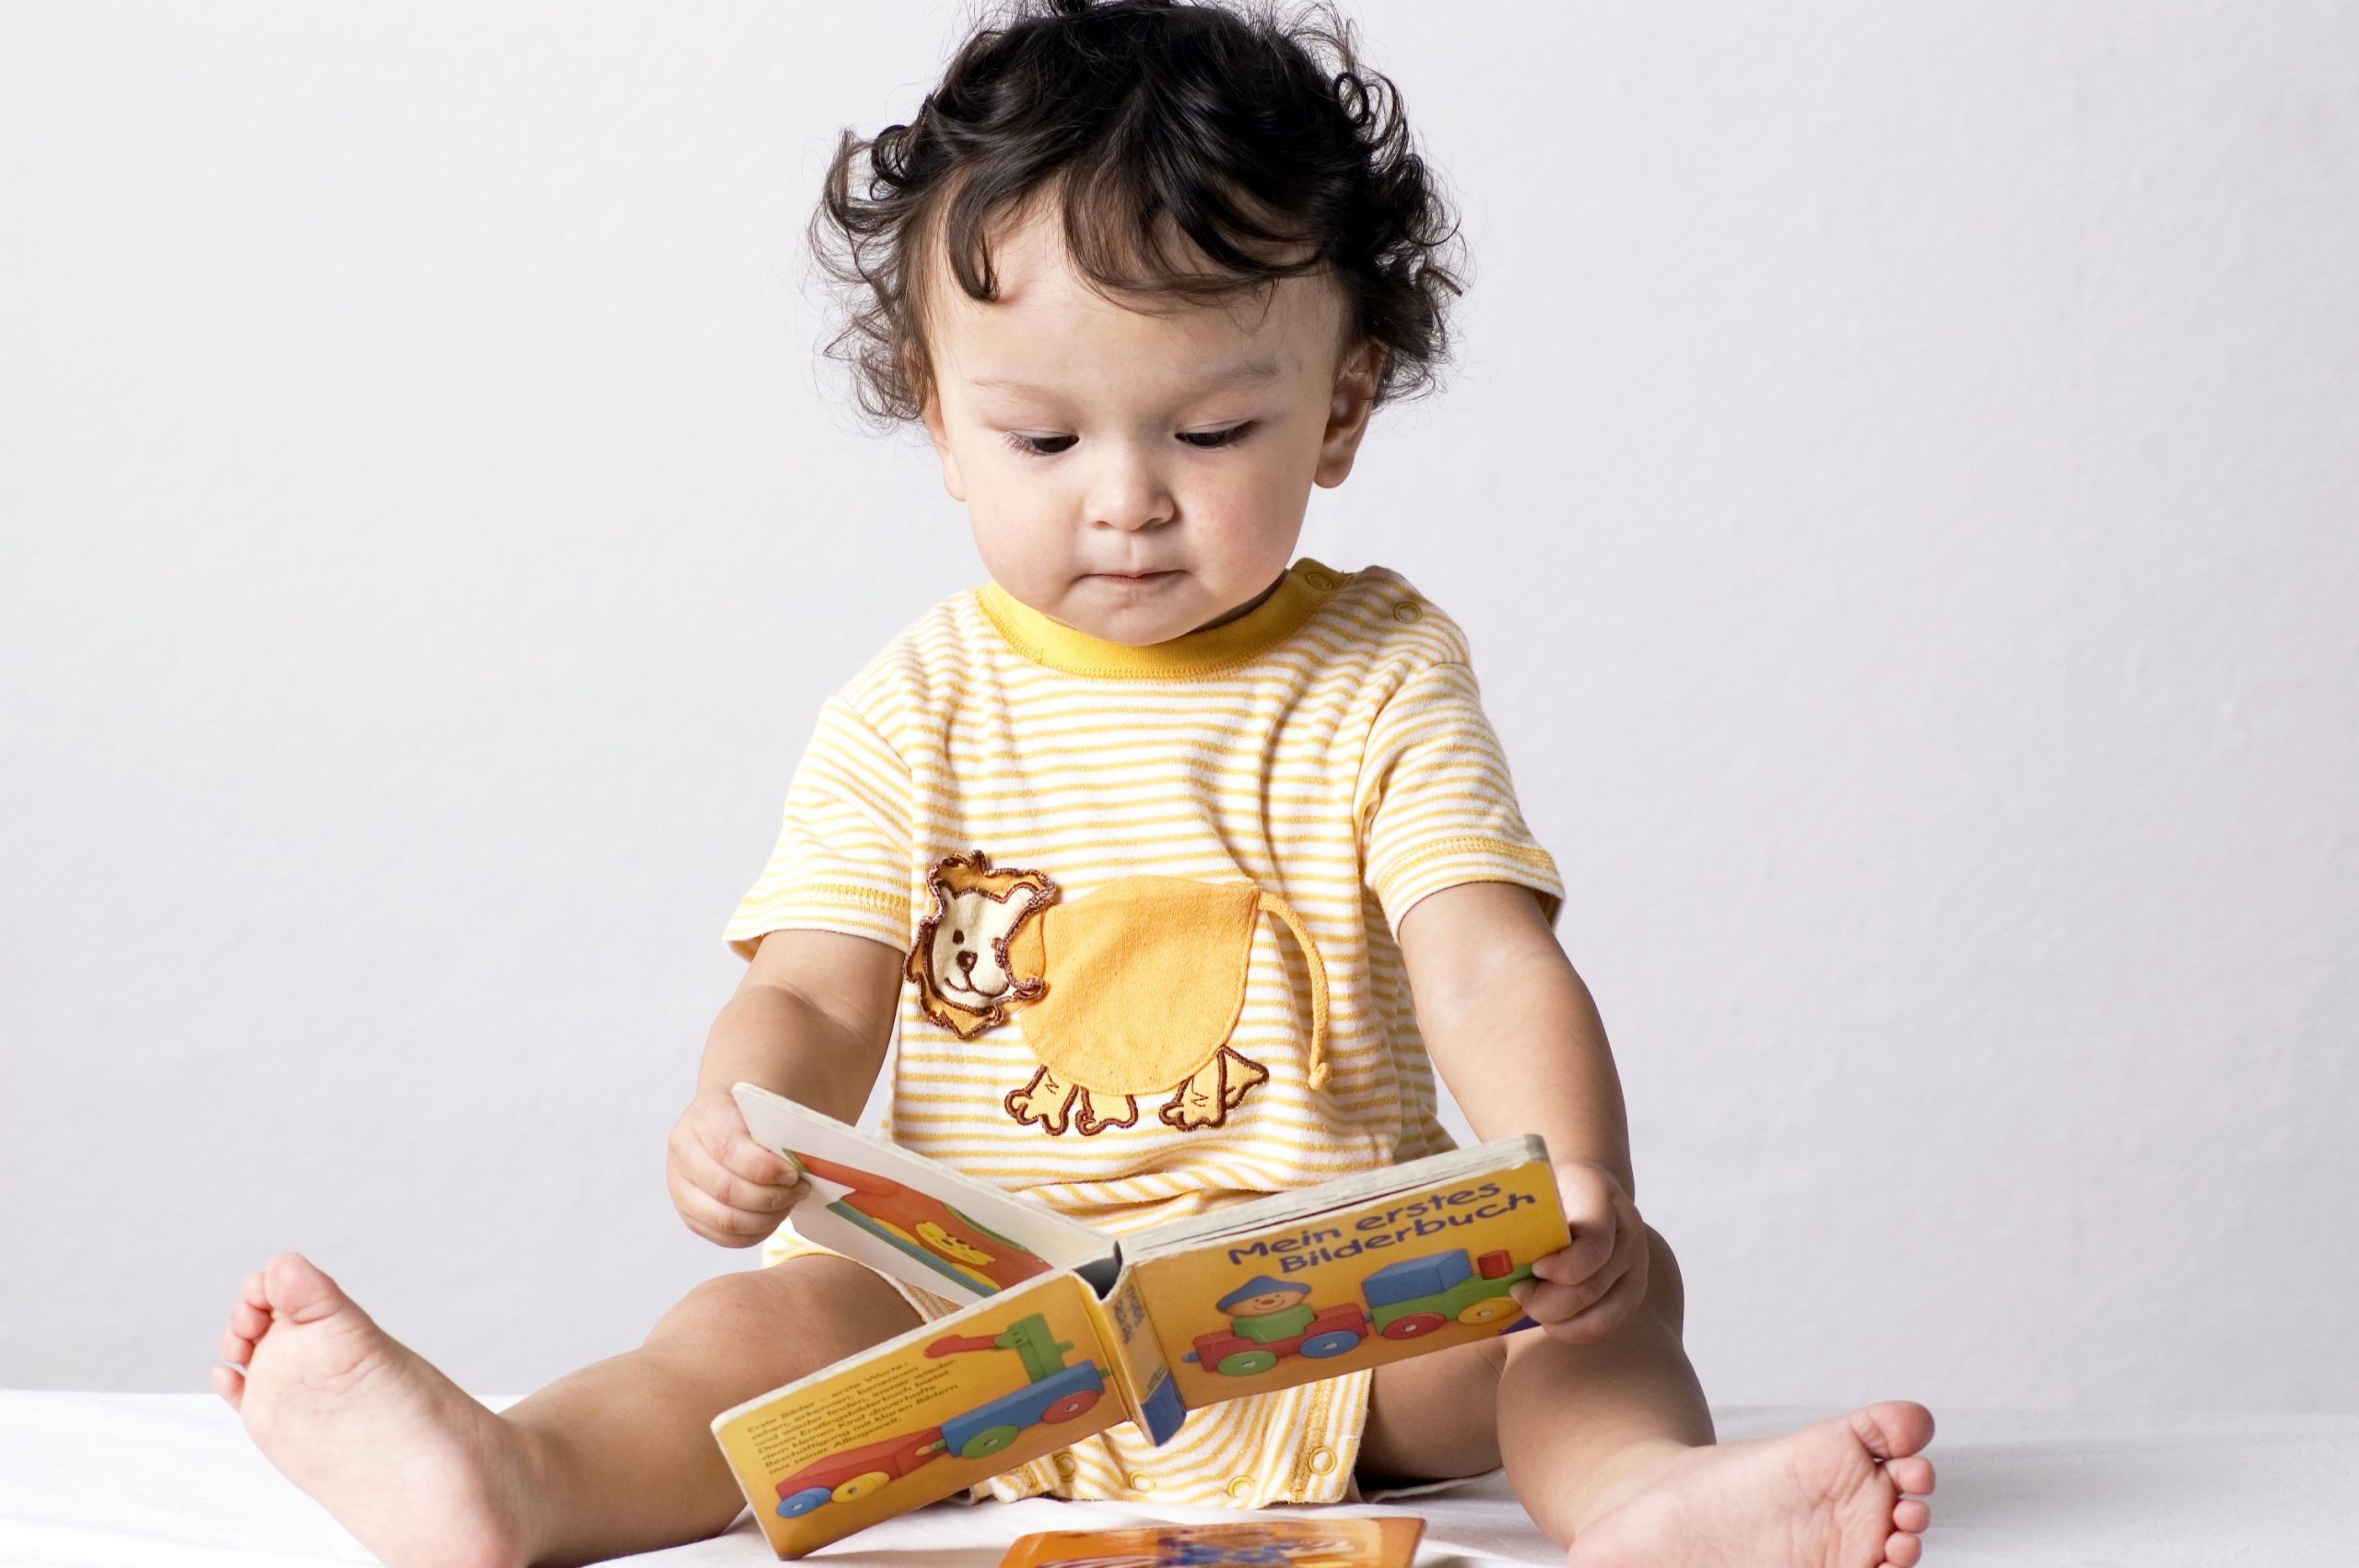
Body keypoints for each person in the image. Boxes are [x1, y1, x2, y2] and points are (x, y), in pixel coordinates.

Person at [212, 4, 1937, 1564]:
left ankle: (1641, 1503)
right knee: (737, 1342)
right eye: (1045, 440)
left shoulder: (1382, 672)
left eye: (1209, 434)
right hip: (961, 1348)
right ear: (941, 419)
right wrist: (737, 1115)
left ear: (1339, 412)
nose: (1126, 498)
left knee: (1607, 1313)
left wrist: (1566, 1186)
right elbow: (814, 989)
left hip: (1321, 1329)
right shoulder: (915, 708)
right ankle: (510, 1477)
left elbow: (1486, 957)